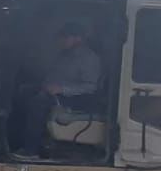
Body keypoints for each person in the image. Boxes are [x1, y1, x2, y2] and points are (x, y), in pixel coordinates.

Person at [13, 20, 103, 156]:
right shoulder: (63, 55)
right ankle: (15, 142)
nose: (61, 41)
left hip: (74, 99)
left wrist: (62, 89)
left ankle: (31, 150)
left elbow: (91, 87)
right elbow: (52, 76)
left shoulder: (89, 59)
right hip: (51, 92)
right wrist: (42, 86)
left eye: (65, 37)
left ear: (78, 39)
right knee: (21, 93)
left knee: (38, 103)